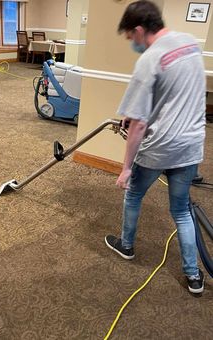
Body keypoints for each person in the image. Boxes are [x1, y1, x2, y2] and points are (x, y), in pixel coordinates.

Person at [105, 0, 206, 294]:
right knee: (182, 211)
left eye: (130, 37)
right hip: (190, 144)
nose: (131, 43)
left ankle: (126, 245)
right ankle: (193, 275)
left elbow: (137, 125)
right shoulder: (189, 43)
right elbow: (176, 93)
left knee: (133, 194)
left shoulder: (148, 60)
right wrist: (137, 113)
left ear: (139, 30)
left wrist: (125, 168)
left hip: (160, 148)